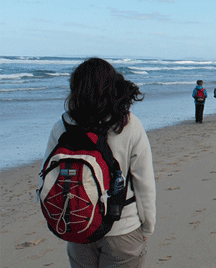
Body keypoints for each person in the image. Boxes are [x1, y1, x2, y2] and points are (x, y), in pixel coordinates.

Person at [43, 58, 156, 268]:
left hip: (80, 224)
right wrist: (147, 227)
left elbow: (48, 179)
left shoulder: (63, 125)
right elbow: (144, 181)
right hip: (123, 228)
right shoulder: (128, 124)